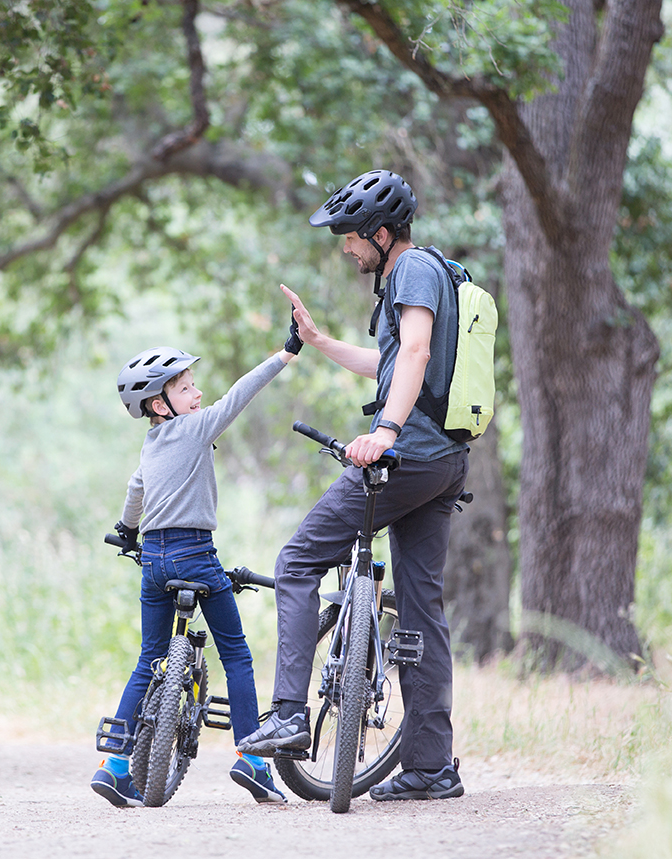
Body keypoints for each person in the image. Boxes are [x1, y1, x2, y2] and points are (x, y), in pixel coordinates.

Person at [237, 169, 470, 801]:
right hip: (444, 461)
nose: (345, 248)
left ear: (382, 233)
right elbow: (389, 362)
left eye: (350, 237)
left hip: (408, 457)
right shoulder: (422, 274)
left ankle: (287, 714)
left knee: (297, 560)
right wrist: (317, 342)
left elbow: (416, 353)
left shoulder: (413, 270)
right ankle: (430, 769)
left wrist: (387, 431)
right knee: (422, 609)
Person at [91, 322, 303, 808]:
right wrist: (286, 353)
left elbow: (135, 493)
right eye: (186, 388)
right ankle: (252, 760)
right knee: (237, 655)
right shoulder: (197, 425)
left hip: (153, 560)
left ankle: (116, 765)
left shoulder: (150, 444)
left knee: (150, 657)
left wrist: (127, 531)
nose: (199, 392)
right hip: (196, 554)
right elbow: (238, 395)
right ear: (160, 405)